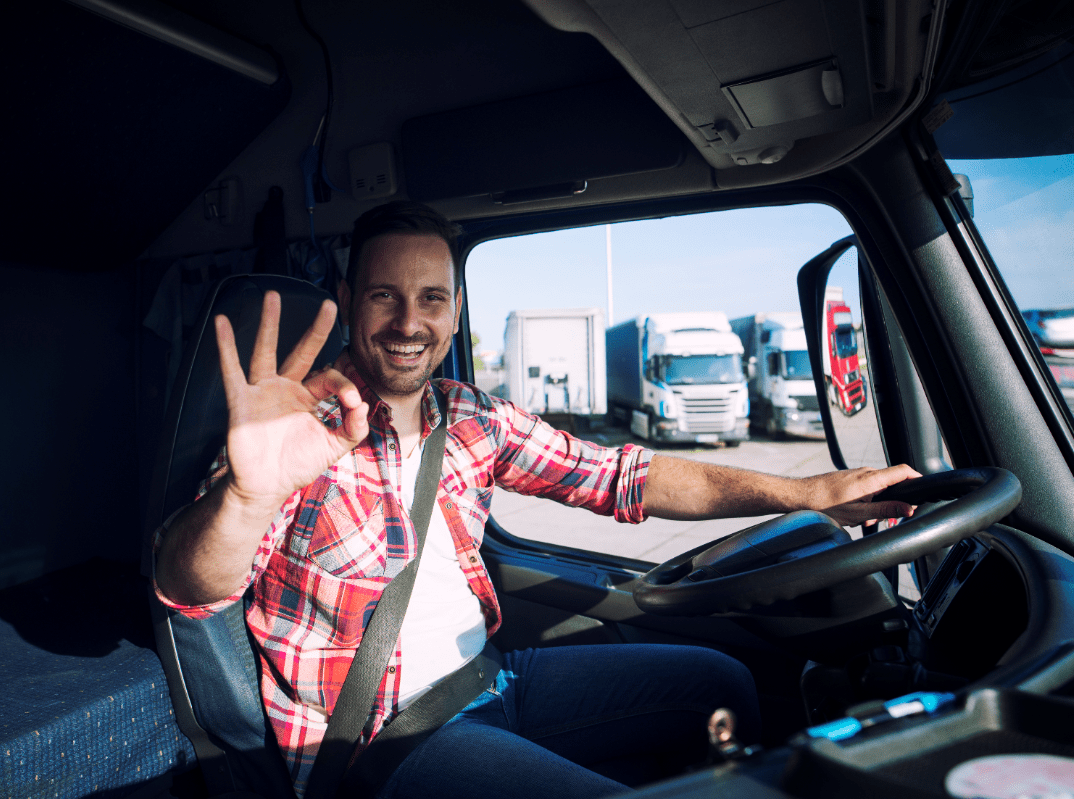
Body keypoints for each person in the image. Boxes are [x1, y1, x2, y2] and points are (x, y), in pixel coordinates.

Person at [153, 202, 918, 799]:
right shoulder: (296, 432)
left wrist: (810, 492)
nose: (408, 321)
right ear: (350, 298)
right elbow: (189, 589)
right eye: (384, 295)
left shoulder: (473, 416)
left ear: (454, 310)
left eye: (430, 298)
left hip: (493, 679)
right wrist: (246, 494)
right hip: (379, 741)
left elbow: (625, 476)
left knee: (725, 683)